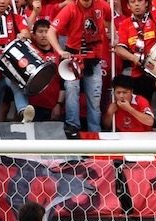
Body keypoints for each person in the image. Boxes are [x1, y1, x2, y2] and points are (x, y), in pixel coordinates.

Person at [47, 0, 112, 134]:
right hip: (74, 57)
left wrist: (113, 36)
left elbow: (109, 20)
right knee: (71, 91)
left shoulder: (103, 5)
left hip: (93, 58)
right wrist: (59, 51)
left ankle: (94, 131)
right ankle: (72, 126)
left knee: (94, 97)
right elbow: (51, 31)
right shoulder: (70, 8)